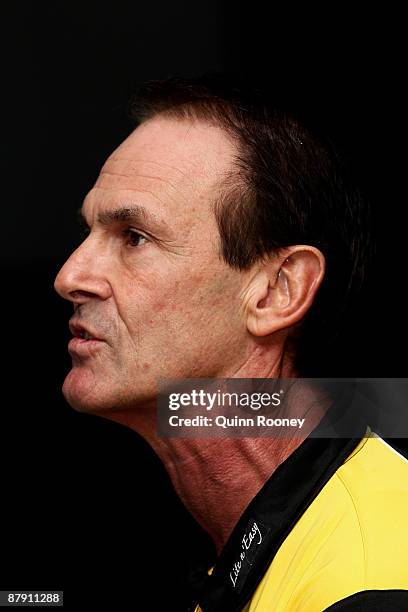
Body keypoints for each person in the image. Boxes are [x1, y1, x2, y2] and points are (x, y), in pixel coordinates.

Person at [54, 74, 408, 611]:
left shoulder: (371, 580)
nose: (70, 275)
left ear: (275, 292)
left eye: (134, 238)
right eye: (87, 233)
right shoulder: (265, 547)